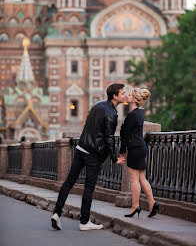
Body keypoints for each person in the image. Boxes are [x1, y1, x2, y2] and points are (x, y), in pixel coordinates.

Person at [51, 83, 126, 231]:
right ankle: (84, 222)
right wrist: (114, 158)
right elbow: (109, 138)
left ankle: (56, 213)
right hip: (93, 154)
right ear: (115, 96)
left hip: (81, 148)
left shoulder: (97, 105)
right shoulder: (111, 113)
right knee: (88, 188)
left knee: (69, 182)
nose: (125, 95)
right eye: (123, 93)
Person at [119, 88, 159, 218]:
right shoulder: (139, 114)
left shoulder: (132, 115)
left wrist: (122, 152)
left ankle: (135, 206)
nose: (128, 96)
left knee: (134, 179)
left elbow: (125, 135)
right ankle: (152, 203)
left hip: (135, 148)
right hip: (141, 147)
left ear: (135, 99)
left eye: (130, 95)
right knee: (142, 178)